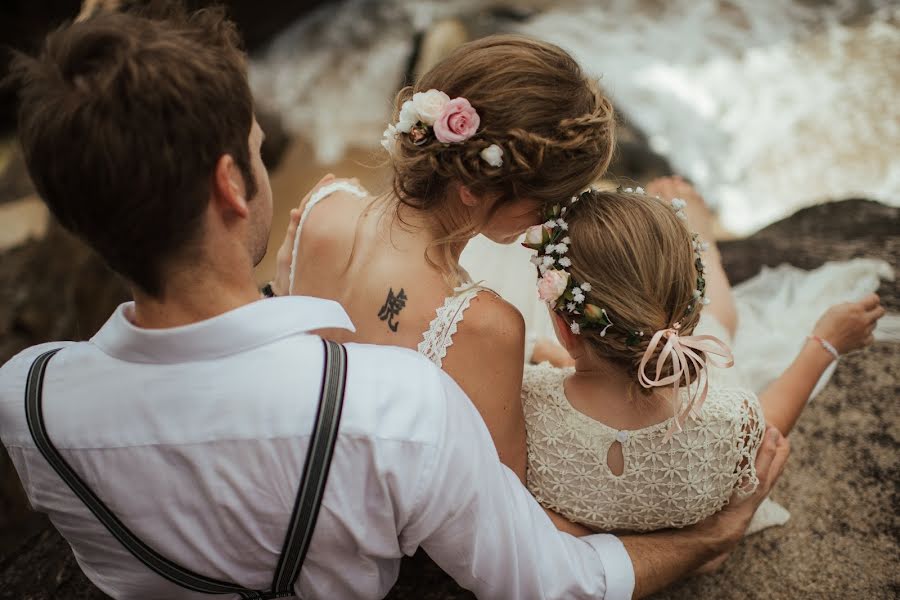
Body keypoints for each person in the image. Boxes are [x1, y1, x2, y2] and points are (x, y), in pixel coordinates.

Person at [0, 5, 789, 600]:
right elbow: (537, 569)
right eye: (256, 145)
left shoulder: (26, 399)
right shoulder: (405, 409)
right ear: (230, 184)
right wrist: (705, 538)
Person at [271, 34, 616, 488]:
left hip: (273, 467)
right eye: (550, 201)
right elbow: (504, 496)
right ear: (473, 188)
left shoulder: (322, 207)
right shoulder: (488, 325)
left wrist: (528, 349)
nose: (553, 218)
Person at [519, 182, 883, 535]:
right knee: (720, 324)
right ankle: (706, 246)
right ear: (691, 308)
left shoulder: (523, 398)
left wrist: (546, 354)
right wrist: (825, 344)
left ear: (563, 327)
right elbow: (769, 431)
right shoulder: (730, 418)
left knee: (715, 325)